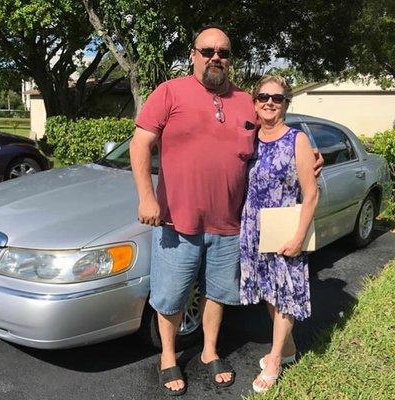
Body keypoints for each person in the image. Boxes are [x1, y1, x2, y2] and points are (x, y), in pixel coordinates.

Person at [130, 26, 323, 395]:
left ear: (229, 58)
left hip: (230, 224)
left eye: (222, 52)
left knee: (217, 293)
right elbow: (140, 143)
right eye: (207, 51)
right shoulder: (170, 91)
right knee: (171, 295)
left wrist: (312, 156)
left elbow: (273, 138)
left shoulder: (243, 102)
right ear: (193, 55)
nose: (215, 57)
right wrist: (146, 196)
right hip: (176, 219)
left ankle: (209, 351)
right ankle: (168, 357)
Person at [239, 75, 319, 393]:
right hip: (252, 229)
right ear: (254, 101)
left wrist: (299, 236)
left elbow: (311, 194)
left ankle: (273, 360)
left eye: (277, 97)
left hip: (284, 229)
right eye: (263, 96)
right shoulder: (248, 138)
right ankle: (287, 349)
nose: (269, 102)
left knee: (284, 293)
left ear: (286, 103)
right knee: (269, 294)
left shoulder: (296, 140)